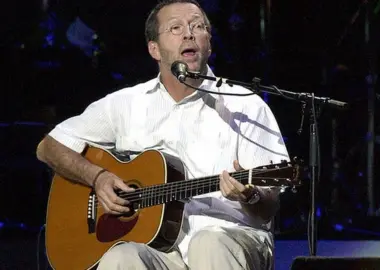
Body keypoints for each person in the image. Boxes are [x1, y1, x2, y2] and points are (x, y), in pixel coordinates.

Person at [36, 0, 290, 269]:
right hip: (159, 249)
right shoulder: (127, 104)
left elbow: (268, 207)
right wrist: (97, 177)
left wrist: (251, 196)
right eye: (176, 28)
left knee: (207, 242)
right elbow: (49, 146)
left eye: (198, 26)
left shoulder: (245, 106)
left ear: (209, 43)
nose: (189, 34)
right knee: (119, 257)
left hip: (232, 239)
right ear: (154, 49)